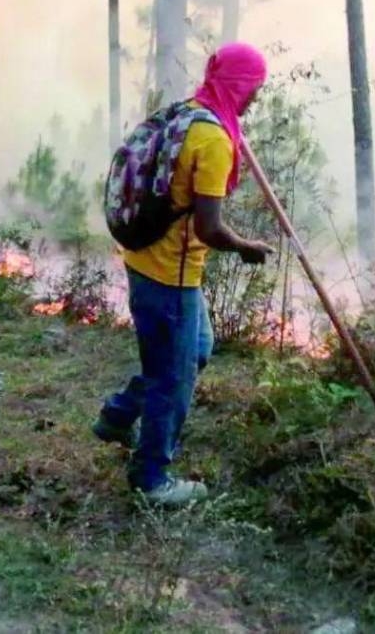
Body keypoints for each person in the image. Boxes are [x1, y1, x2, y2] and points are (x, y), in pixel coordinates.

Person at [95, 43, 273, 507]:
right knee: (173, 380)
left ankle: (117, 416)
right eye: (254, 87)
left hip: (146, 259)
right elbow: (209, 229)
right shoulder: (212, 140)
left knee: (196, 350)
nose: (256, 96)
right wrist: (246, 247)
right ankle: (152, 478)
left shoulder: (190, 113)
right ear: (239, 85)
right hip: (169, 277)